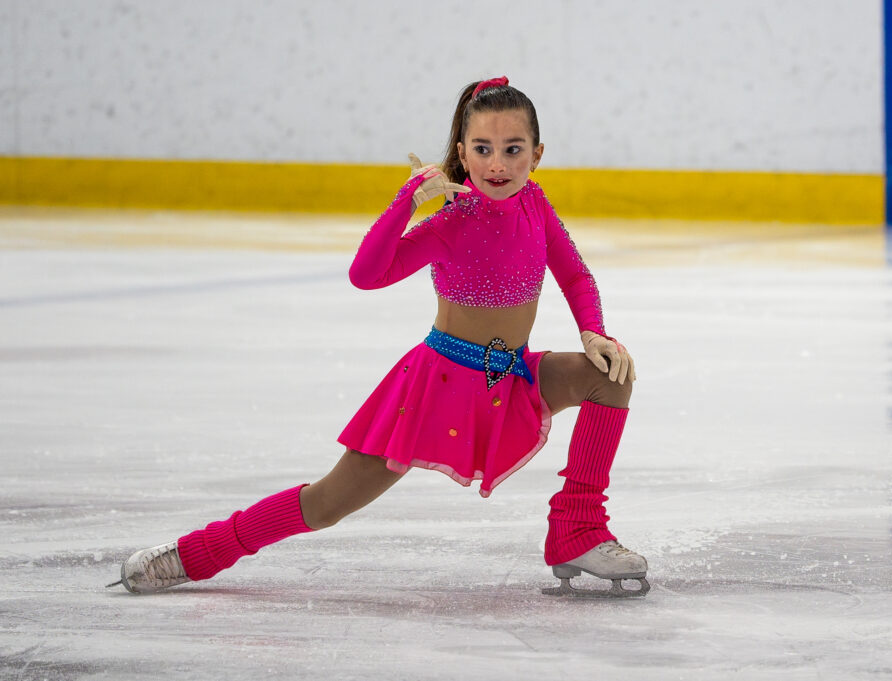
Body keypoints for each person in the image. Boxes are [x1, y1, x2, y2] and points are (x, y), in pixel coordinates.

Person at [110, 76, 648, 598]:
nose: (498, 164)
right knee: (327, 503)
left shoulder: (535, 204)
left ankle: (576, 530)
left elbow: (575, 275)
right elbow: (366, 274)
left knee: (609, 375)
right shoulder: (451, 223)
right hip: (440, 384)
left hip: (510, 373)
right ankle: (195, 553)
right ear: (461, 152)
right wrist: (410, 199)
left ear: (537, 154)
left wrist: (594, 333)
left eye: (513, 149)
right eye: (483, 148)